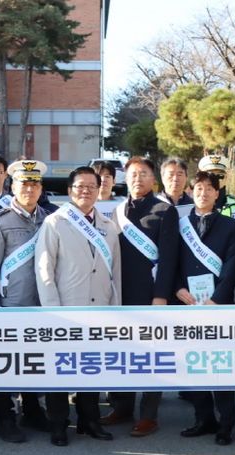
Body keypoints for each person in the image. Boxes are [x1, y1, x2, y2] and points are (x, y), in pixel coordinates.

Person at [35, 166, 121, 446]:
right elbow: (44, 270)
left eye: (91, 186)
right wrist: (53, 311)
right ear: (69, 190)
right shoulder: (55, 222)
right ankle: (58, 423)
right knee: (60, 369)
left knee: (91, 367)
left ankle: (89, 420)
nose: (86, 191)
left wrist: (115, 310)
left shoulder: (108, 226)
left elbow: (115, 272)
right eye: (80, 186)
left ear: (99, 190)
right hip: (65, 310)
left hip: (100, 309)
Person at [102, 156, 179, 437]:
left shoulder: (165, 210)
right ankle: (122, 407)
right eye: (133, 174)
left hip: (149, 293)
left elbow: (169, 258)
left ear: (153, 179)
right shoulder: (117, 211)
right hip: (120, 293)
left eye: (143, 173)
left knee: (151, 355)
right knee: (122, 353)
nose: (137, 178)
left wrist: (161, 295)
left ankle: (149, 415)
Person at [0, 160, 50, 443]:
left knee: (34, 361)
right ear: (13, 187)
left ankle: (32, 409)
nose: (29, 189)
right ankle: (5, 417)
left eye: (34, 184)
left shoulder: (49, 219)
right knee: (6, 363)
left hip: (41, 305)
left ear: (40, 188)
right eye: (23, 184)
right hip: (9, 306)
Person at [176, 172, 235, 446]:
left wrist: (217, 298)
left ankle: (226, 424)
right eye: (198, 188)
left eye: (209, 189)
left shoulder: (231, 226)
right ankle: (203, 419)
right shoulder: (180, 224)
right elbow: (171, 261)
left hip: (218, 306)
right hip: (188, 303)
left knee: (219, 365)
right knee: (193, 364)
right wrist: (177, 289)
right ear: (191, 192)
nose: (203, 193)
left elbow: (232, 266)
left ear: (217, 193)